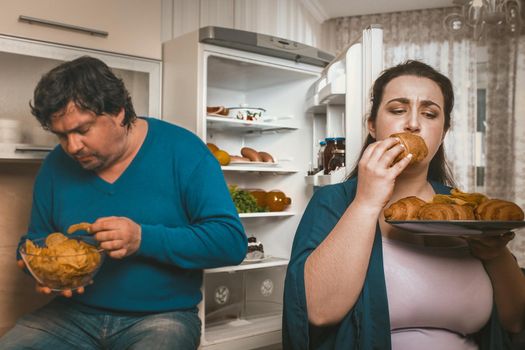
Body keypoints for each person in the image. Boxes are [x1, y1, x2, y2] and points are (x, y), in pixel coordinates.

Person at [0, 56, 247, 349]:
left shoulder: (184, 151)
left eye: (82, 130)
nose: (72, 147)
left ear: (118, 112)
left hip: (162, 317)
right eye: (61, 135)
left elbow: (230, 243)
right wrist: (39, 268)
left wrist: (142, 238)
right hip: (72, 316)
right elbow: (35, 240)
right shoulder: (56, 165)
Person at [283, 60, 525, 349]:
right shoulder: (333, 202)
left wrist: (496, 255)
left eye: (430, 113)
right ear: (372, 125)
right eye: (398, 110)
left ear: (444, 130)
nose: (413, 123)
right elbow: (319, 312)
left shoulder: (465, 211)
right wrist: (366, 202)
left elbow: (515, 322)